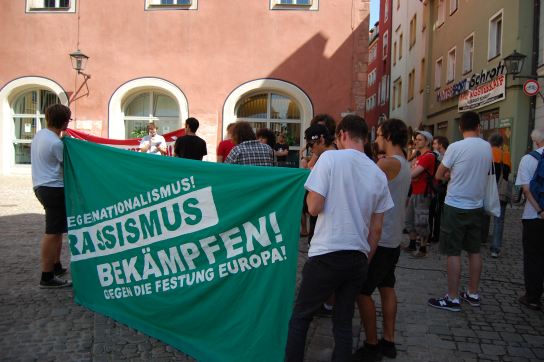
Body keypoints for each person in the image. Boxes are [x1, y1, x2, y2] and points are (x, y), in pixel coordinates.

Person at [285, 115, 393, 361]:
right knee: (343, 323)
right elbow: (376, 229)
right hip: (357, 257)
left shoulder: (330, 158)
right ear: (364, 138)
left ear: (342, 134)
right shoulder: (377, 173)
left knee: (301, 317)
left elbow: (313, 207)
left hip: (326, 253)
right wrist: (365, 259)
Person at [353, 118, 411, 361]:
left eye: (378, 135)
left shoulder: (387, 163)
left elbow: (362, 189)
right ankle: (389, 340)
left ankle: (372, 343)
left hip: (382, 238)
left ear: (388, 135)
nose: (376, 140)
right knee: (387, 288)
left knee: (362, 291)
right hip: (394, 236)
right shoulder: (405, 163)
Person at [428, 111, 492, 312]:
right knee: (474, 251)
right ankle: (473, 293)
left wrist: (449, 174)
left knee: (453, 251)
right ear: (479, 126)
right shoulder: (486, 146)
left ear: (460, 127)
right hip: (476, 205)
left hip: (455, 204)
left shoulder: (456, 147)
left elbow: (439, 174)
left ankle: (453, 298)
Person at [31, 104, 72, 288]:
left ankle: (56, 266)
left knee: (57, 230)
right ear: (64, 121)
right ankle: (46, 276)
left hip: (41, 185)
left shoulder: (41, 134)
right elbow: (68, 163)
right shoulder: (56, 143)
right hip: (53, 188)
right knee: (53, 232)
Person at [515, 128, 544, 311]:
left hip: (534, 217)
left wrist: (541, 211)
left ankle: (532, 297)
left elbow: (526, 190)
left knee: (533, 257)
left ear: (536, 141)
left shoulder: (529, 159)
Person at [405, 130, 436, 257]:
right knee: (409, 219)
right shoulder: (419, 156)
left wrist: (411, 173)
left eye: (420, 140)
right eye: (416, 139)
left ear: (427, 142)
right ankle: (412, 244)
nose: (416, 141)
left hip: (423, 193)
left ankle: (423, 249)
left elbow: (412, 173)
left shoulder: (428, 156)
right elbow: (411, 171)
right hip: (415, 191)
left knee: (421, 221)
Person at [488, 133, 511, 258]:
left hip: (486, 191)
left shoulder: (487, 152)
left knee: (482, 216)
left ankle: (480, 239)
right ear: (501, 143)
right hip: (500, 191)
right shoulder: (506, 155)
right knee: (499, 220)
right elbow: (507, 174)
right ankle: (495, 248)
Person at [429, 136, 450, 243]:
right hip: (440, 187)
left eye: (435, 144)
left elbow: (446, 175)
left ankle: (436, 235)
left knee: (437, 212)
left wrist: (442, 178)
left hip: (440, 188)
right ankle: (435, 234)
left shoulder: (445, 156)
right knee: (437, 212)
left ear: (441, 145)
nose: (433, 146)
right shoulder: (440, 156)